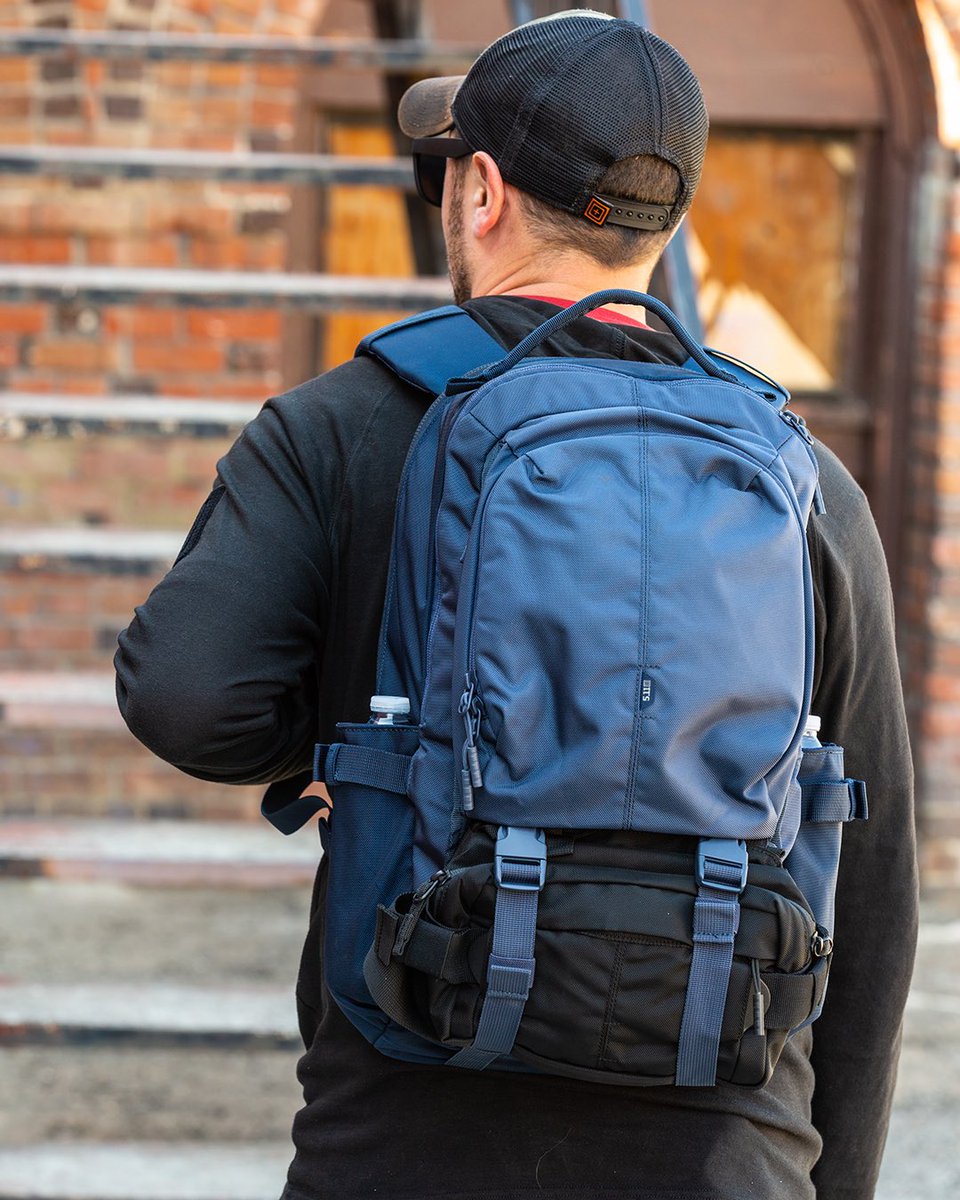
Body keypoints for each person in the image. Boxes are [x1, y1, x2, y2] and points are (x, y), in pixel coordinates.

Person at [115, 10, 917, 1199]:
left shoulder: (344, 425)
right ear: (667, 221)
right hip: (726, 1152)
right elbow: (876, 881)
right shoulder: (802, 482)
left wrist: (350, 755)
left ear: (480, 192)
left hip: (402, 1137)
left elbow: (186, 695)